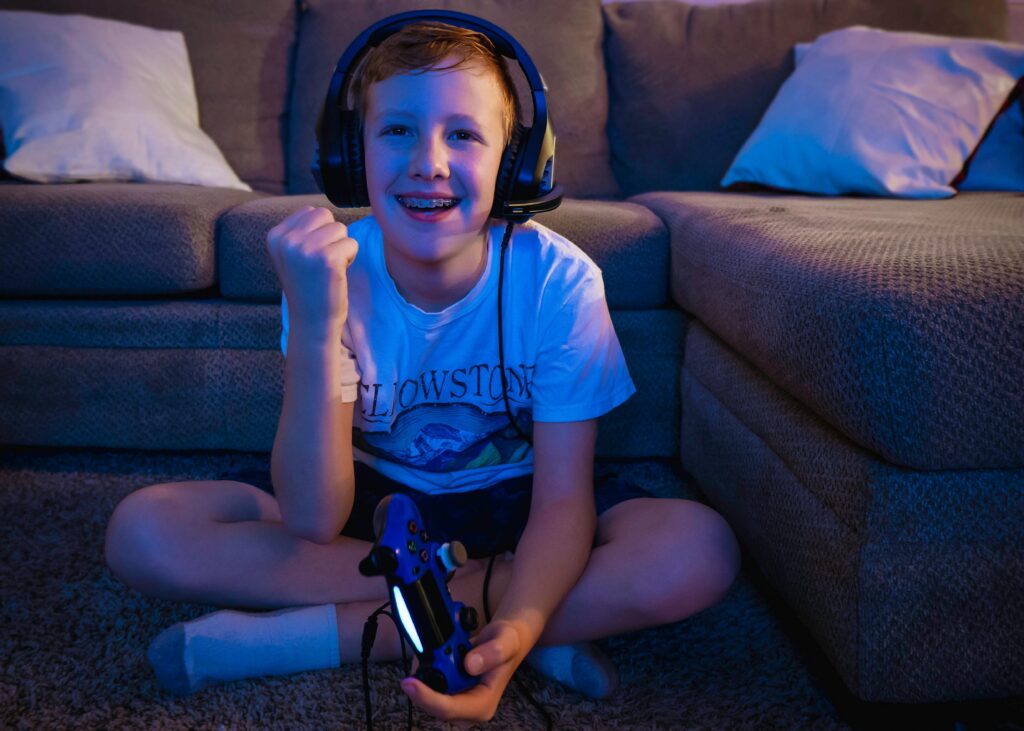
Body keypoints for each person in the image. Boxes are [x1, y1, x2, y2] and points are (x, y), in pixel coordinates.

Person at [104, 19, 741, 725]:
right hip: (367, 515)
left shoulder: (559, 280)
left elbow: (562, 504)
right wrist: (317, 325)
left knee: (696, 550)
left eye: (463, 135)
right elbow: (314, 517)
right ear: (352, 155)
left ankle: (301, 639)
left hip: (517, 509)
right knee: (144, 529)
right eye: (397, 131)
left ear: (516, 162)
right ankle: (524, 616)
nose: (428, 162)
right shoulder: (330, 273)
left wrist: (522, 623)